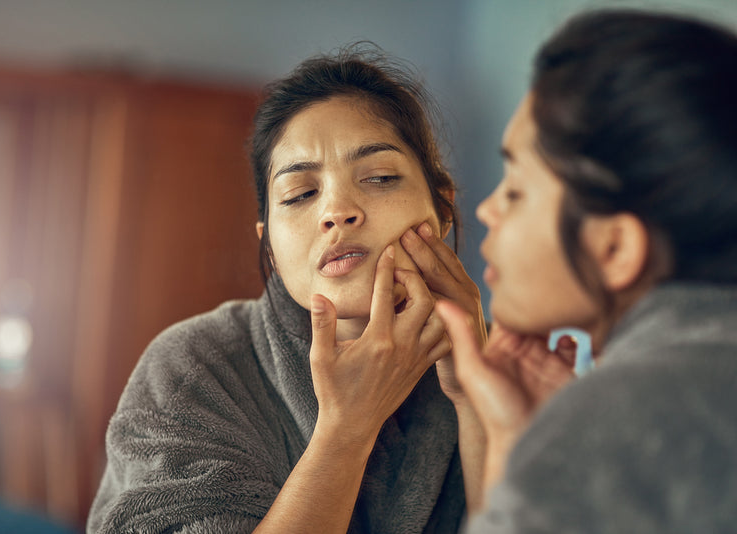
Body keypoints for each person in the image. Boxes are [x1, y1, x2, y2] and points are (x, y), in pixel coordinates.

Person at [87, 46, 488, 533]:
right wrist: (347, 429)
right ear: (270, 246)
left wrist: (477, 399)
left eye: (380, 178)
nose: (337, 211)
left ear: (441, 212)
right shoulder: (196, 367)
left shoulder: (507, 371)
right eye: (300, 194)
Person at [436, 9, 737, 533]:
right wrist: (517, 440)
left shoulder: (613, 425)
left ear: (616, 247)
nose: (484, 210)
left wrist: (557, 449)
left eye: (515, 190)